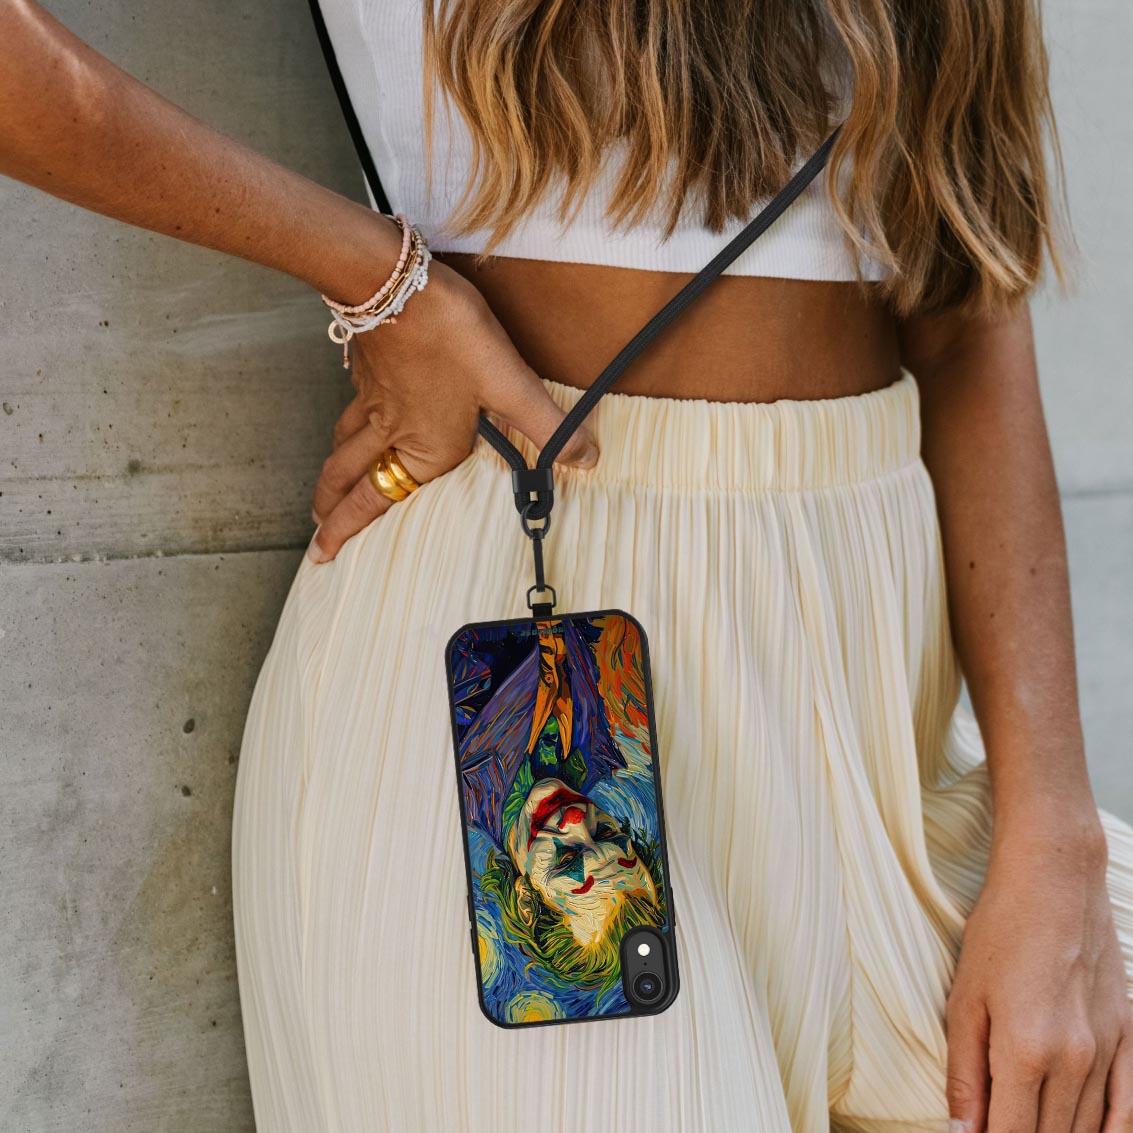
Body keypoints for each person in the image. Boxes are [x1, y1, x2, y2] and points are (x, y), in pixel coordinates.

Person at [2, 0, 1131, 1130]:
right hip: (506, 665)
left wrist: (1053, 832)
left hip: (888, 716)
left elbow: (966, 303)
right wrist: (374, 276)